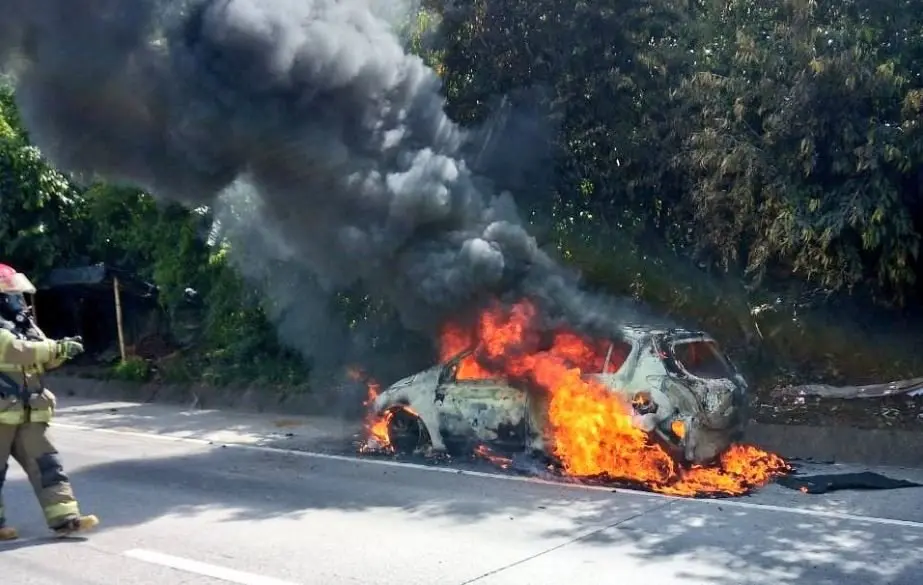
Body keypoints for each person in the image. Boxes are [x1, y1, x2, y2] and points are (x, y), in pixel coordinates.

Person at [0, 263, 97, 540]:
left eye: (18, 294)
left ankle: (65, 519)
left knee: (48, 466)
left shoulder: (23, 325)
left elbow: (44, 355)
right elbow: (16, 351)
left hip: (29, 412)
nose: (18, 300)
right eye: (11, 294)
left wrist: (63, 349)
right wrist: (54, 348)